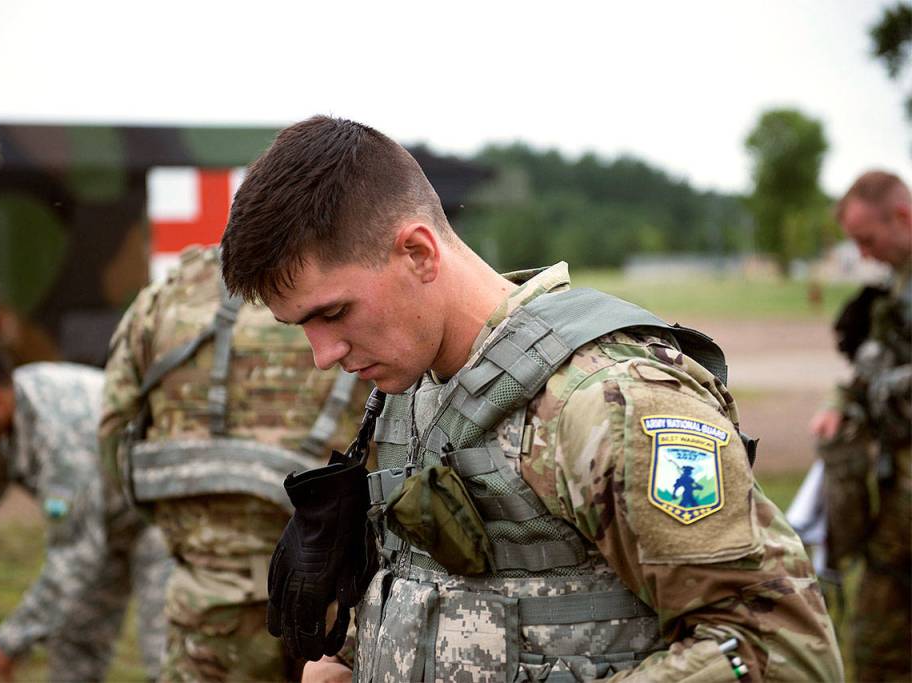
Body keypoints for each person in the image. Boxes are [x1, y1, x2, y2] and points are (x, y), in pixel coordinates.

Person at [219, 115, 844, 682]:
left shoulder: (607, 404)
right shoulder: (410, 391)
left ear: (417, 251)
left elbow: (783, 648)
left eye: (333, 312)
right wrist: (355, 659)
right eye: (301, 325)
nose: (322, 354)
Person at [98, 244, 367, 682]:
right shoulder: (347, 283)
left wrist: (187, 533)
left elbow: (114, 440)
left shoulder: (164, 298)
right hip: (341, 608)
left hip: (209, 604)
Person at [0, 341, 170, 683]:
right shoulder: (13, 403)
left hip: (159, 521)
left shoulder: (58, 435)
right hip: (104, 523)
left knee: (167, 655)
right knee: (73, 643)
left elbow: (74, 557)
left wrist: (7, 643)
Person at [808, 170, 911, 681]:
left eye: (867, 240)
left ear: (903, 216)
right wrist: (840, 402)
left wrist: (881, 391)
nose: (864, 255)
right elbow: (874, 364)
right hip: (897, 515)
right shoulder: (898, 286)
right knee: (874, 651)